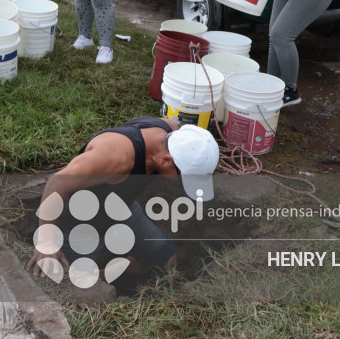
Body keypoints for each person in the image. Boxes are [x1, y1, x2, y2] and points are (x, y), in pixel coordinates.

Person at [26, 117, 220, 280]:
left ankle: (101, 276)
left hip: (121, 209)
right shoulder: (115, 158)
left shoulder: (170, 132)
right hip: (79, 224)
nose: (181, 184)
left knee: (166, 260)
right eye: (183, 177)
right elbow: (57, 183)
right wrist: (46, 242)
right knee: (69, 282)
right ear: (166, 160)